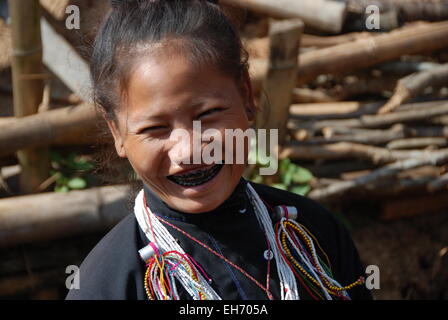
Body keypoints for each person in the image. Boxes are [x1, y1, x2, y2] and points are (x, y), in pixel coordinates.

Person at [66, 0, 372, 300]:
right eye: (154, 129)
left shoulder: (313, 235)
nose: (188, 151)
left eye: (206, 115)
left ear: (246, 96)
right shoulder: (107, 285)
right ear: (117, 132)